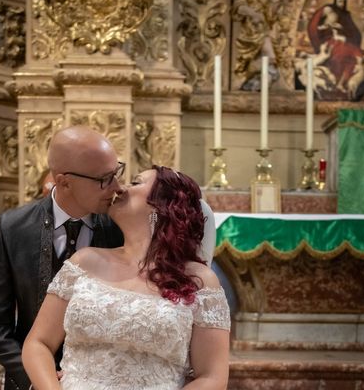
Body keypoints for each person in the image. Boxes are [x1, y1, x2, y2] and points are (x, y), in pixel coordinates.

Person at [22, 165, 231, 389]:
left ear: (162, 205)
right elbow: (38, 343)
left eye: (135, 182)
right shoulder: (83, 262)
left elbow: (211, 376)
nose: (120, 188)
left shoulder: (199, 282)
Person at [0, 126, 125, 390]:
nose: (117, 187)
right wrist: (35, 378)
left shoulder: (122, 228)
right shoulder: (12, 227)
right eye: (104, 179)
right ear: (64, 181)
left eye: (116, 173)